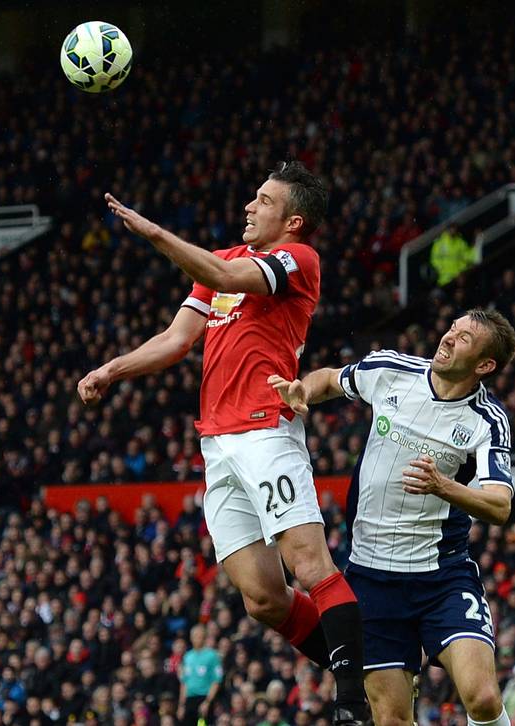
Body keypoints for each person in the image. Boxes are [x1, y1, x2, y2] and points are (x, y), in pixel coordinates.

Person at [79, 161, 370, 724]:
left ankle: (356, 703)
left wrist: (156, 233)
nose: (249, 206)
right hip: (217, 443)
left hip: (267, 429)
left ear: (294, 220)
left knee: (309, 564)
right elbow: (177, 339)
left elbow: (231, 279)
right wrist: (111, 370)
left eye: (263, 200)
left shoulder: (297, 260)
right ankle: (359, 667)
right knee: (262, 598)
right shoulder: (224, 265)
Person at [268, 308, 515, 726]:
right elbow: (330, 379)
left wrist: (445, 486)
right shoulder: (392, 369)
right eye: (452, 328)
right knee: (391, 719)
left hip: (441, 576)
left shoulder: (488, 421)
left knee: (483, 697)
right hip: (371, 576)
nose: (449, 337)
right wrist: (302, 392)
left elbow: (500, 505)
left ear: (485, 365)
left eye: (464, 338)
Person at [178, 624, 223, 725]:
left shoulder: (212, 655)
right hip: (189, 699)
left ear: (205, 637)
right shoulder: (187, 656)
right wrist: (181, 705)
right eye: (195, 636)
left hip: (204, 698)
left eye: (200, 636)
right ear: (191, 637)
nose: (197, 638)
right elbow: (184, 682)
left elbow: (216, 681)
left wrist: (208, 702)